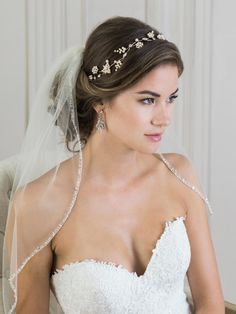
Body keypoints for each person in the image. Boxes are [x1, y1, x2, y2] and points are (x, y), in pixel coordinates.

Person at [2, 16, 224, 313]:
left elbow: (210, 301)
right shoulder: (36, 204)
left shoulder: (179, 175)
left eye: (170, 98)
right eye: (148, 100)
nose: (165, 117)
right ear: (100, 102)